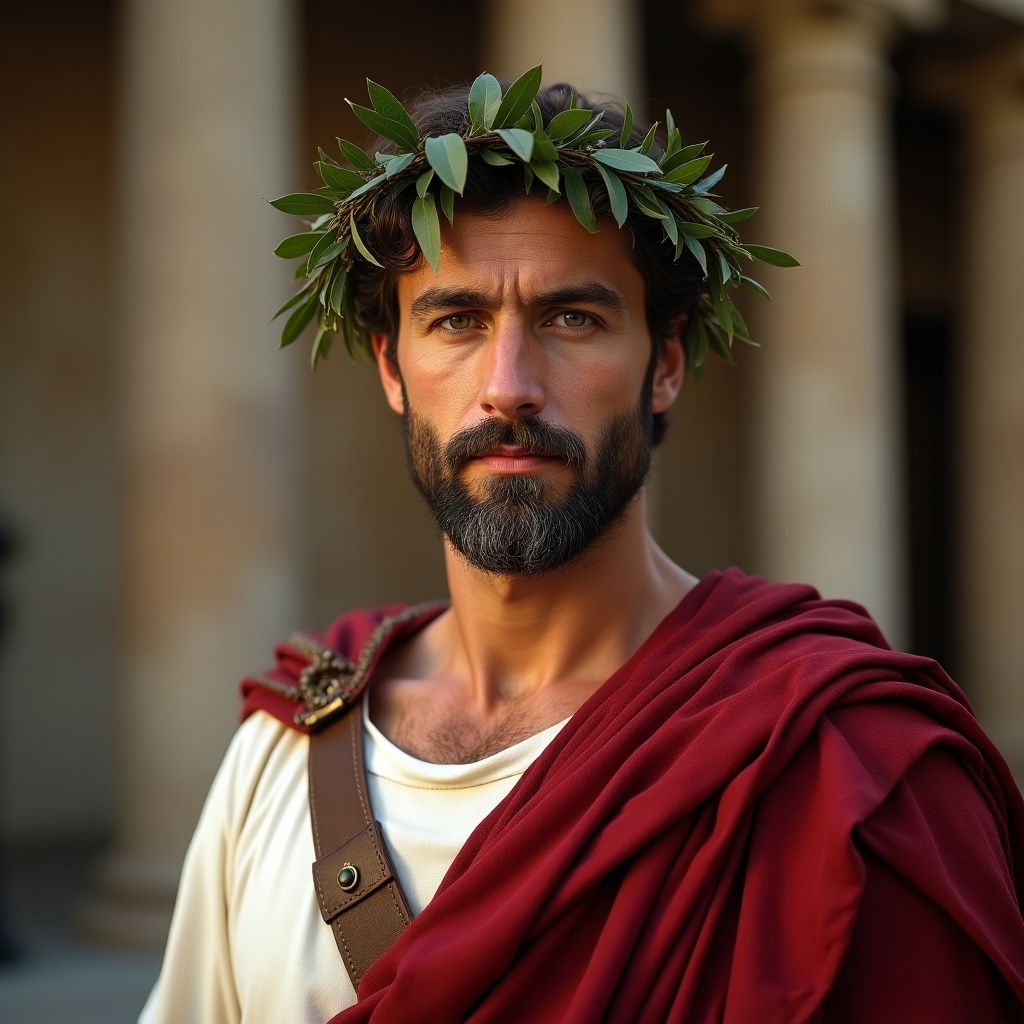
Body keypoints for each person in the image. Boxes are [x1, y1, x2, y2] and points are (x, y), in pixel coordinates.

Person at [140, 70, 1024, 1024]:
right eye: (457, 321)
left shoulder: (847, 768)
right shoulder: (285, 747)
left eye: (573, 318)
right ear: (394, 368)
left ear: (667, 365)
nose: (509, 385)